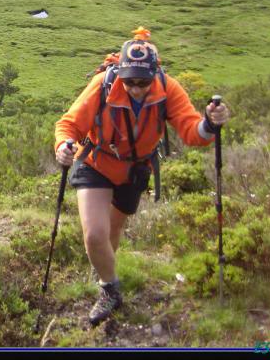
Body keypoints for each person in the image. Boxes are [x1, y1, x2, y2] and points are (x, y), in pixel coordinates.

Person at [53, 28, 230, 326]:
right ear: (121, 72)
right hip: (96, 162)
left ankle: (103, 272)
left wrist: (210, 125)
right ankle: (110, 289)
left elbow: (191, 131)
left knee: (112, 230)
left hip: (134, 170)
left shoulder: (168, 89)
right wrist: (63, 147)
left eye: (143, 82)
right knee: (95, 234)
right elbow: (68, 125)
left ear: (155, 73)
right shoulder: (103, 85)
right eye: (130, 81)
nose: (136, 88)